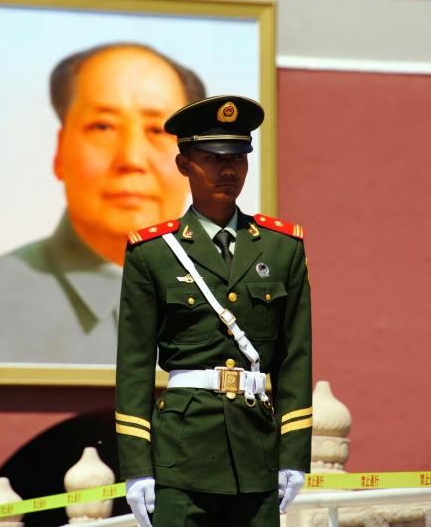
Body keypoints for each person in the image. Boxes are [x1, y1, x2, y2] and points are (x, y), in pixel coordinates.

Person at [115, 95, 312, 527]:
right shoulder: (153, 253)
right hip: (180, 457)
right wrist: (137, 465)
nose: (228, 170)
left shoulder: (283, 248)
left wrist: (294, 452)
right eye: (211, 157)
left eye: (239, 157)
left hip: (256, 453)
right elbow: (133, 365)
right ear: (184, 163)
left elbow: (296, 358)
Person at [0, 43, 206, 364]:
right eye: (103, 127)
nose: (132, 159)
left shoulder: (230, 293)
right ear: (60, 150)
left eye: (157, 130)